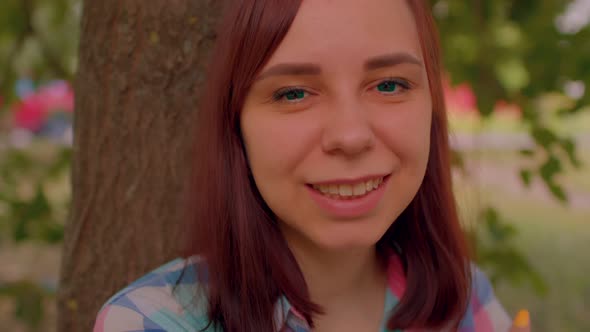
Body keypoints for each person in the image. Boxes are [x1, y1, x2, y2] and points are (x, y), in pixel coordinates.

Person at [93, 1, 531, 331]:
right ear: (236, 126)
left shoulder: (466, 299)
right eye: (294, 94)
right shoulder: (148, 322)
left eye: (390, 84)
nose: (349, 136)